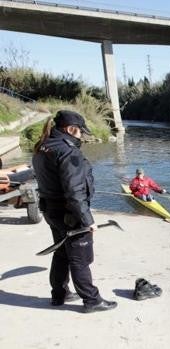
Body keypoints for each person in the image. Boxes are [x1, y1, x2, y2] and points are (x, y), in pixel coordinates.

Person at [32, 110, 117, 313]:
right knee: (80, 258)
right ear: (71, 129)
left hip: (51, 211)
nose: (82, 137)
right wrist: (87, 220)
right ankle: (92, 300)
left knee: (61, 253)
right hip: (70, 214)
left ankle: (59, 295)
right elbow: (74, 191)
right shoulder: (69, 152)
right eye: (80, 133)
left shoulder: (42, 146)